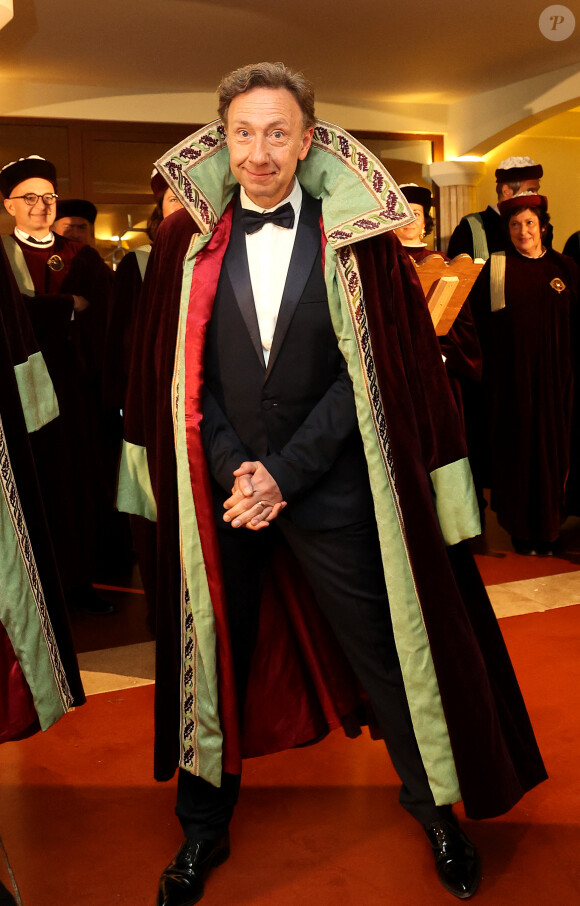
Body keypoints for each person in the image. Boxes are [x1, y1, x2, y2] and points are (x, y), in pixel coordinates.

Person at [118, 63, 546, 905]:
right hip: (223, 489)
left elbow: (374, 378)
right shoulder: (184, 240)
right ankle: (202, 830)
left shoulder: (356, 238)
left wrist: (284, 474)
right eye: (244, 132)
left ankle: (435, 812)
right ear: (223, 138)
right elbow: (178, 374)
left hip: (332, 488)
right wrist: (238, 470)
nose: (260, 151)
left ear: (308, 138)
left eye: (278, 132)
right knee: (215, 659)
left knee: (390, 655)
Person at [0, 154, 114, 613]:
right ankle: (35, 588)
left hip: (74, 389)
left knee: (78, 483)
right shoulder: (2, 257)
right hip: (19, 392)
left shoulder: (82, 256)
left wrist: (47, 313)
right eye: (29, 198)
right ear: (9, 205)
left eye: (48, 197)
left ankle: (78, 584)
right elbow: (14, 317)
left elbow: (104, 313)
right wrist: (67, 305)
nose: (41, 206)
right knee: (34, 486)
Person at [469, 193, 579, 554]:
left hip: (557, 383)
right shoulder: (497, 267)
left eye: (529, 223)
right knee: (517, 454)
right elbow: (482, 325)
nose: (523, 231)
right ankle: (519, 528)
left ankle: (549, 528)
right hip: (512, 383)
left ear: (544, 227)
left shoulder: (565, 268)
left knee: (554, 453)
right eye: (515, 225)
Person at [447, 157, 548, 260]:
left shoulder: (539, 227)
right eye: (530, 190)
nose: (535, 196)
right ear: (506, 191)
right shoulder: (470, 227)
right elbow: (456, 271)